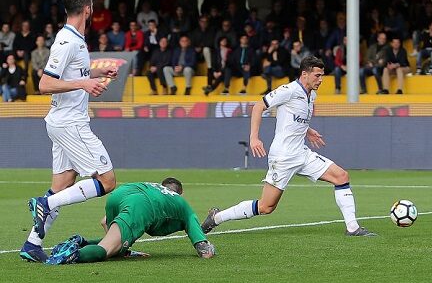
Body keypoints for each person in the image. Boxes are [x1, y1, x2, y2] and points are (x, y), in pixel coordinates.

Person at [200, 57, 376, 237]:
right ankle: (216, 217)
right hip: (283, 156)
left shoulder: (312, 94)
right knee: (266, 207)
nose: (320, 79)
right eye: (317, 75)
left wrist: (307, 130)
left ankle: (353, 228)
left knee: (341, 176)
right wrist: (254, 138)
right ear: (304, 74)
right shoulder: (288, 90)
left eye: (322, 75)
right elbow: (258, 107)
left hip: (302, 153)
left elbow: (293, 117)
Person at [22, 0, 119, 263]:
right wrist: (84, 83)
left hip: (62, 122)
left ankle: (32, 244)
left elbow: (74, 72)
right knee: (107, 181)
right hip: (70, 123)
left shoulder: (75, 39)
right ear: (88, 9)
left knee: (63, 185)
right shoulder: (67, 41)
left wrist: (97, 73)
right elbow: (45, 84)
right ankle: (44, 204)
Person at [45, 178, 215, 265]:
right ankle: (70, 255)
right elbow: (204, 249)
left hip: (119, 195)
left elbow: (105, 222)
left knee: (116, 246)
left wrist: (123, 247)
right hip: (140, 205)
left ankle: (81, 242)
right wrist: (208, 249)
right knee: (108, 249)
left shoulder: (153, 186)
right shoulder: (182, 204)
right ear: (181, 193)